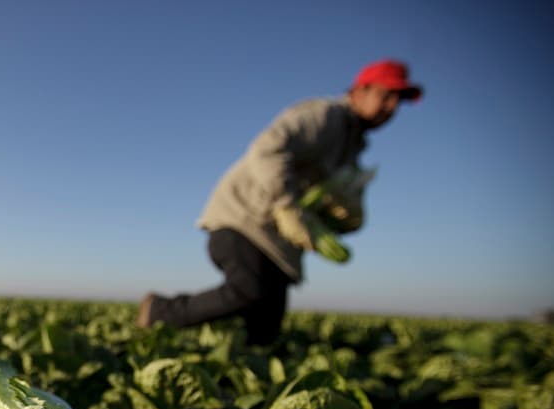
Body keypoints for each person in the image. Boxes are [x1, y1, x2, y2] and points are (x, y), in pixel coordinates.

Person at [136, 58, 423, 345]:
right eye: (386, 96)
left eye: (398, 101)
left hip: (280, 241)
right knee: (248, 289)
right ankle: (159, 312)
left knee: (265, 331)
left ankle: (233, 352)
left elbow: (316, 196)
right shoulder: (325, 116)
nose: (392, 108)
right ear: (360, 91)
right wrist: (286, 205)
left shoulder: (354, 146)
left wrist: (339, 218)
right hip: (245, 220)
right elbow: (268, 148)